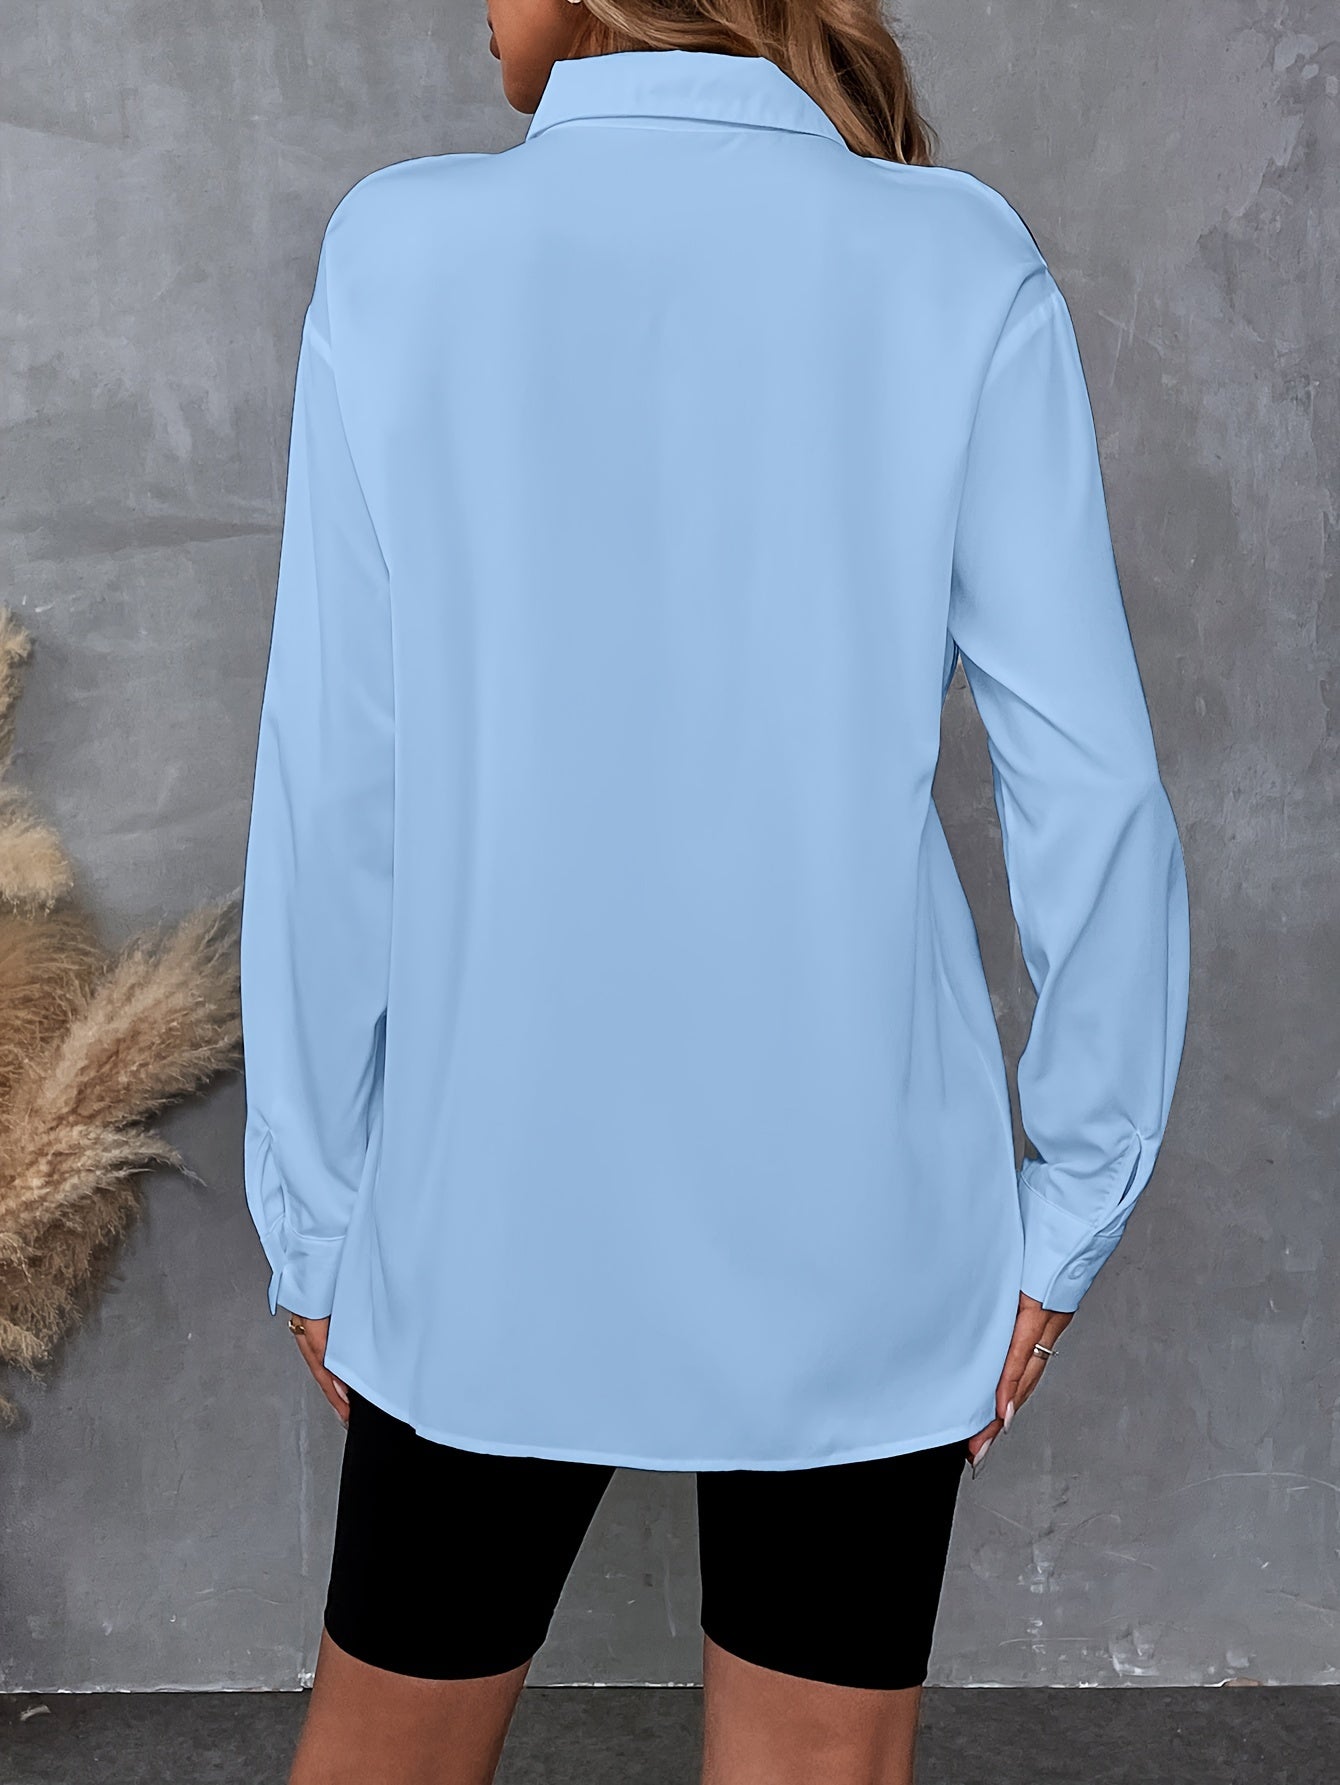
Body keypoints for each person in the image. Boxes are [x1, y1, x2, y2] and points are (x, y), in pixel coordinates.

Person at [238, 2, 1191, 1780]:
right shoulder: (955, 261)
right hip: (862, 1213)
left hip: (484, 1201)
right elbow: (1093, 785)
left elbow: (334, 782)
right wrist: (1074, 1187)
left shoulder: (400, 255)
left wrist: (318, 1203)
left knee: (383, 1760)